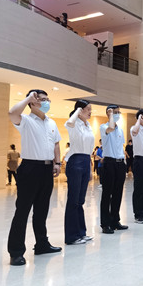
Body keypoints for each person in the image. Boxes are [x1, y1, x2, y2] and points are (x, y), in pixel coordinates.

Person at [7, 90, 62, 266]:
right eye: (42, 99)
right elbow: (12, 113)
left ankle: (42, 244)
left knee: (42, 210)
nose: (47, 102)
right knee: (23, 210)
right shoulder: (26, 120)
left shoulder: (51, 122)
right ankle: (16, 251)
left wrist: (57, 162)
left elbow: (56, 143)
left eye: (47, 99)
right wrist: (27, 98)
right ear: (32, 102)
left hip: (47, 169)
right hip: (30, 168)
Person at [64, 100, 94, 245]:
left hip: (86, 160)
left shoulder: (88, 125)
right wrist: (77, 110)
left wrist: (90, 168)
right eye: (88, 109)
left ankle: (81, 233)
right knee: (73, 199)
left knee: (80, 200)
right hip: (75, 161)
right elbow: (69, 122)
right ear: (80, 110)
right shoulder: (74, 123)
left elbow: (89, 148)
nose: (90, 112)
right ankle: (71, 236)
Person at [99, 105, 128, 234]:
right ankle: (105, 224)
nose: (117, 114)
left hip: (120, 163)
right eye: (114, 112)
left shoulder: (120, 129)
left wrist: (124, 162)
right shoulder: (104, 127)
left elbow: (121, 147)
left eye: (118, 112)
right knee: (107, 194)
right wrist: (111, 115)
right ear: (108, 113)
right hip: (109, 163)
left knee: (118, 193)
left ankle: (115, 220)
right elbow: (110, 128)